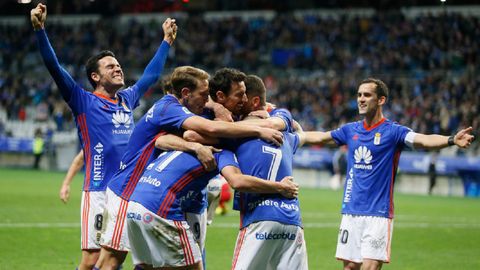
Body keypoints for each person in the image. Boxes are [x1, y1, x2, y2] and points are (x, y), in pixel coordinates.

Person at [30, 3, 177, 269]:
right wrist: (40, 29)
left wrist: (166, 41)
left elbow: (151, 75)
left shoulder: (127, 99)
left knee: (119, 258)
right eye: (110, 66)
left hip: (128, 191)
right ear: (95, 76)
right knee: (92, 260)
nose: (118, 68)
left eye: (118, 65)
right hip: (98, 190)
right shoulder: (82, 101)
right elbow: (54, 67)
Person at [97, 66, 284, 269]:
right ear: (186, 93)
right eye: (204, 95)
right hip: (132, 189)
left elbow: (182, 133)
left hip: (179, 196)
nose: (207, 100)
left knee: (154, 264)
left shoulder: (201, 109)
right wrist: (257, 130)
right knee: (111, 260)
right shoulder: (170, 108)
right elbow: (183, 136)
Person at [301, 78, 475, 270]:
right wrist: (297, 135)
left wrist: (451, 139)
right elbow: (321, 136)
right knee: (349, 267)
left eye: (367, 95)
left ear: (381, 100)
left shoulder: (393, 131)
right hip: (351, 210)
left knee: (369, 268)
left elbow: (423, 140)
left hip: (378, 213)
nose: (361, 99)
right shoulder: (350, 130)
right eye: (359, 95)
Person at [126, 134, 299, 270]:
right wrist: (279, 187)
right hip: (160, 206)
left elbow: (160, 140)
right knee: (193, 266)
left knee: (146, 266)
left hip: (135, 202)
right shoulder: (221, 150)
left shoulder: (183, 137)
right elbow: (237, 181)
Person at [230, 74, 308, 270]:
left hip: (259, 218)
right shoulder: (287, 136)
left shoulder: (234, 138)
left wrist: (232, 125)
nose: (238, 104)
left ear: (254, 101)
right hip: (292, 220)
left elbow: (206, 131)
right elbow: (301, 133)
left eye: (242, 98)